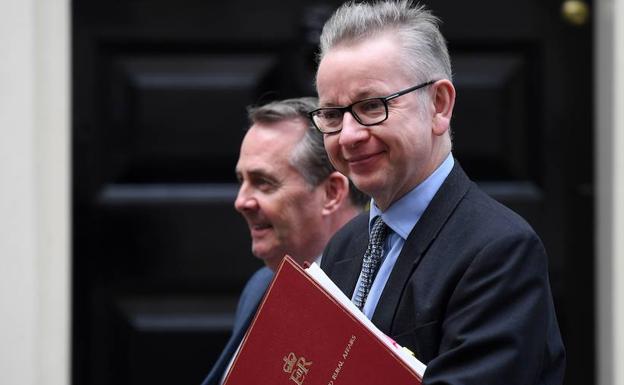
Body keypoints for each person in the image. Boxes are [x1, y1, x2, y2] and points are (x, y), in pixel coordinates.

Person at [309, 1, 565, 385]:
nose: (348, 136)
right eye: (332, 114)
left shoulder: (499, 251)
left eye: (371, 106)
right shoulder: (345, 244)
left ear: (439, 105)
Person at [200, 97, 367, 385]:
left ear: (331, 193)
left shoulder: (383, 292)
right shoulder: (260, 287)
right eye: (241, 180)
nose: (241, 201)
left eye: (263, 182)